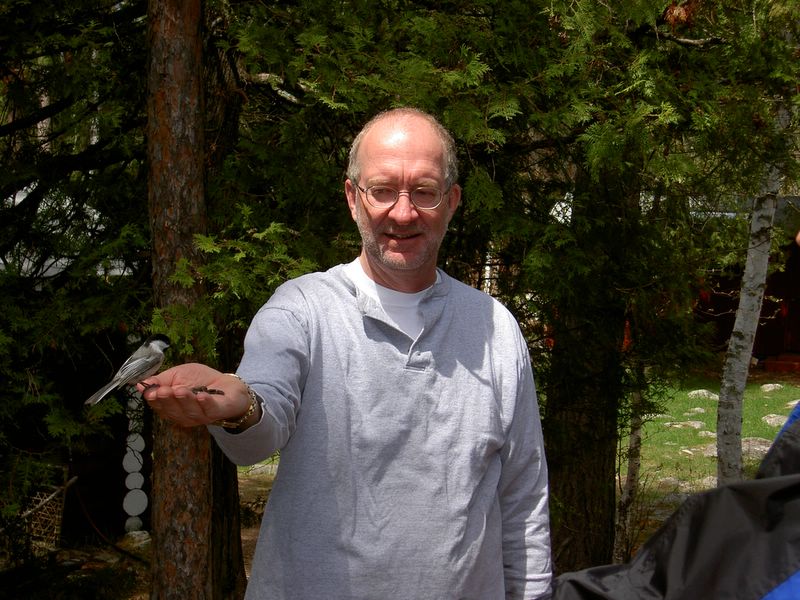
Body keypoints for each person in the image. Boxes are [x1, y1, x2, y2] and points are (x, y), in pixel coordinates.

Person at [141, 107, 552, 599]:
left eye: (424, 191)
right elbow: (259, 430)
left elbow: (523, 498)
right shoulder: (302, 309)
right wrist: (238, 408)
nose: (403, 213)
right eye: (382, 190)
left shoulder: (495, 329)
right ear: (353, 198)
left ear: (452, 201)